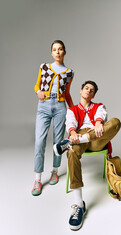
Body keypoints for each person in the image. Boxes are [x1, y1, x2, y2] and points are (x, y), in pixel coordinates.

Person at [53, 80, 121, 230]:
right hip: (78, 138)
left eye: (91, 91)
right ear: (81, 91)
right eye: (86, 88)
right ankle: (79, 205)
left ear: (93, 95)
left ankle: (68, 143)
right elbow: (70, 124)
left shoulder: (99, 106)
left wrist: (98, 123)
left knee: (116, 122)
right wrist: (72, 134)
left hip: (97, 137)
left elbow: (101, 115)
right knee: (71, 152)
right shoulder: (72, 110)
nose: (88, 92)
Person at [32, 40, 74, 196]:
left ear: (64, 52)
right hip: (43, 106)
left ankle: (55, 171)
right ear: (51, 52)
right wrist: (38, 92)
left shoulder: (69, 72)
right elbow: (36, 85)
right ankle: (37, 179)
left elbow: (68, 94)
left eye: (60, 49)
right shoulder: (44, 67)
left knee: (58, 142)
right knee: (39, 141)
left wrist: (74, 111)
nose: (57, 52)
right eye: (54, 49)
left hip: (60, 107)